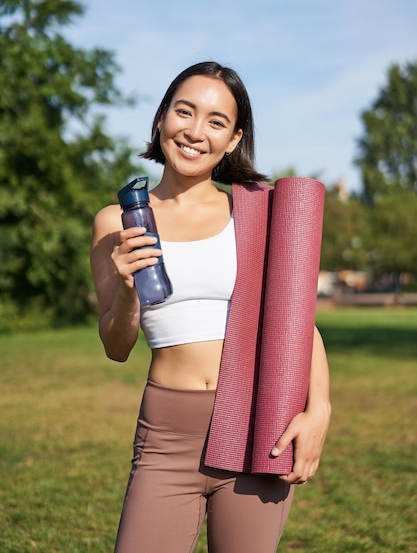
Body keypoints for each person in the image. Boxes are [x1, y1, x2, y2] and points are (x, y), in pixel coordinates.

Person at [90, 61, 331, 553]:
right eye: (185, 112)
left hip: (257, 421)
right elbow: (116, 346)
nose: (195, 132)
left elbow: (296, 321)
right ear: (162, 119)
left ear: (233, 138)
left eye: (216, 121)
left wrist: (319, 408)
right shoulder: (117, 221)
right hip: (167, 434)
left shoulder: (255, 211)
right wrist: (128, 290)